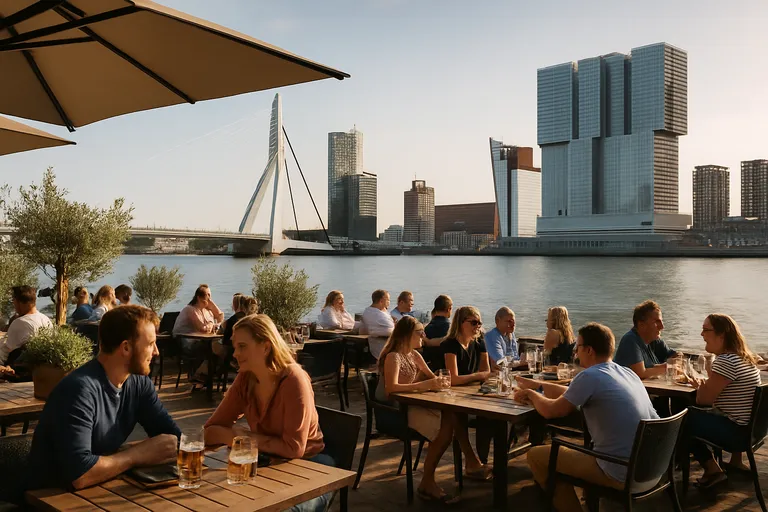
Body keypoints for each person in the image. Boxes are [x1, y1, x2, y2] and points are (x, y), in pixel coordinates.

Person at [25, 305, 180, 492]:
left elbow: (173, 439)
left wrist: (198, 439)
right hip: (49, 497)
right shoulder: (79, 390)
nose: (156, 352)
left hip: (101, 490)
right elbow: (80, 474)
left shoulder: (139, 384)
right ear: (126, 348)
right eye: (150, 344)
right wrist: (136, 455)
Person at [517, 323, 660, 512]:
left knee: (536, 456)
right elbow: (570, 393)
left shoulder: (589, 376)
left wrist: (531, 395)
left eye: (578, 347)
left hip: (620, 471)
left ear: (589, 350)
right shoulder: (626, 373)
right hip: (651, 469)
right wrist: (537, 386)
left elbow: (551, 411)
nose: (575, 352)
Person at [204, 314, 332, 512]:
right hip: (269, 461)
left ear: (265, 347)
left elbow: (293, 449)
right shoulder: (245, 379)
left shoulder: (294, 380)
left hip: (311, 465)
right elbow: (209, 432)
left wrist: (245, 439)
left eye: (242, 346)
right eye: (235, 347)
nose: (235, 354)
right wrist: (237, 438)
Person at [374, 316, 459, 504]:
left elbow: (431, 377)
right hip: (397, 412)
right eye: (420, 332)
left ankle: (430, 479)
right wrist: (425, 385)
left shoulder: (414, 355)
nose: (424, 335)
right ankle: (427, 482)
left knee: (452, 419)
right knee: (444, 429)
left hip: (413, 405)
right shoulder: (393, 357)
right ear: (407, 334)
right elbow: (391, 389)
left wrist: (439, 381)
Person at [684, 314, 761, 488]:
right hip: (753, 432)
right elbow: (734, 397)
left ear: (721, 335)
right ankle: (735, 461)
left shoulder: (726, 361)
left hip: (738, 435)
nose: (702, 334)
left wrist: (701, 387)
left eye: (706, 330)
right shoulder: (744, 358)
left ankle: (712, 470)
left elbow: (703, 400)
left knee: (682, 420)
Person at [441, 306, 492, 479]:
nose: (478, 326)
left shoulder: (479, 342)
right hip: (448, 395)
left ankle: (481, 461)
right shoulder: (450, 344)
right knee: (457, 414)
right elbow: (453, 379)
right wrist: (477, 376)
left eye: (480, 323)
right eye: (474, 322)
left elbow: (486, 372)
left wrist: (477, 377)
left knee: (488, 416)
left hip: (471, 392)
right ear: (461, 323)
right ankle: (472, 462)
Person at [614, 300, 679, 379]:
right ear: (641, 325)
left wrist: (679, 361)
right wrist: (668, 368)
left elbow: (674, 356)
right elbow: (640, 373)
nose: (662, 327)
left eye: (661, 321)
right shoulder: (630, 340)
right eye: (657, 322)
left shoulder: (654, 339)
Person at [0, 286, 52, 366]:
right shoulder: (46, 319)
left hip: (17, 366)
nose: (14, 305)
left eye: (14, 301)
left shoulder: (20, 322)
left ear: (20, 302)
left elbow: (7, 351)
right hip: (41, 362)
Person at [360, 289, 395, 359]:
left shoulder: (367, 311)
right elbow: (393, 329)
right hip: (383, 349)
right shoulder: (378, 315)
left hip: (375, 347)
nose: (389, 302)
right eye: (388, 300)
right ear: (381, 301)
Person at [422, 294, 452, 370]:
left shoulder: (427, 328)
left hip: (430, 366)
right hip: (446, 366)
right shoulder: (450, 328)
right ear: (449, 309)